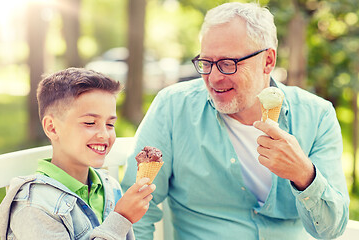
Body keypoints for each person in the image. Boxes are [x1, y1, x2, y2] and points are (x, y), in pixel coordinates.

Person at [121, 2, 350, 240]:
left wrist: (304, 175)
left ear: (268, 61)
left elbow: (330, 230)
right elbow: (134, 210)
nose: (214, 77)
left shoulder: (317, 116)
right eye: (207, 63)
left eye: (228, 64)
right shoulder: (172, 107)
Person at [0, 68, 155, 240]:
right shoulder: (34, 206)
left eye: (110, 124)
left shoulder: (109, 186)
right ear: (52, 128)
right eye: (90, 122)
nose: (104, 134)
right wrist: (122, 218)